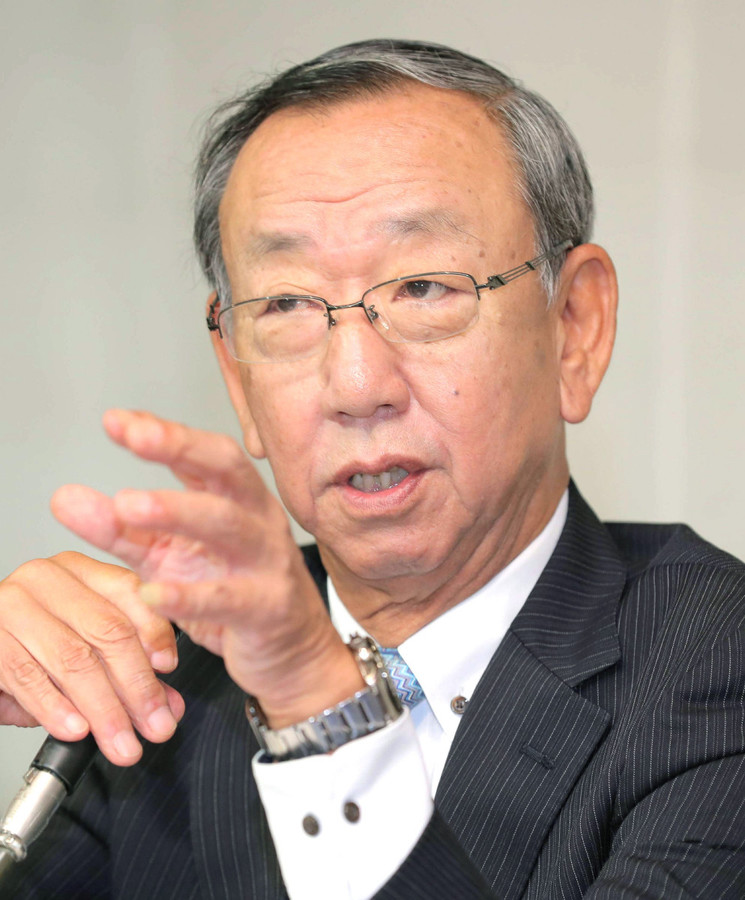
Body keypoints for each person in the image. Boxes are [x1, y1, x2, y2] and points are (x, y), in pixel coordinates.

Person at [1, 38, 744, 899]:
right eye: (286, 304)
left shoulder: (712, 665)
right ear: (236, 375)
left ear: (573, 326)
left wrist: (320, 707)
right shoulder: (176, 680)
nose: (356, 386)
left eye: (424, 288)